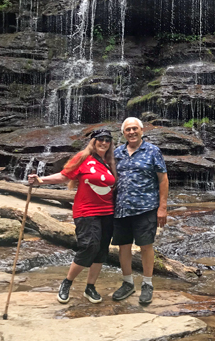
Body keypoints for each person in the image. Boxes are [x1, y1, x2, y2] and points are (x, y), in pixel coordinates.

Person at [28, 128, 116, 305]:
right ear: (93, 141)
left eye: (107, 140)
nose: (104, 142)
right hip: (86, 211)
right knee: (89, 246)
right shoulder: (83, 158)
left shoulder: (110, 162)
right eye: (100, 139)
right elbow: (63, 177)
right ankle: (67, 282)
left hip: (108, 212)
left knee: (101, 251)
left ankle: (90, 287)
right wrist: (41, 180)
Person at [112, 117, 169, 305]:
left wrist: (162, 207)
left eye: (134, 128)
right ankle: (128, 282)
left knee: (146, 246)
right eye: (128, 129)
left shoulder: (153, 151)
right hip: (121, 208)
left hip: (146, 208)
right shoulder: (117, 152)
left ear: (142, 130)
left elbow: (163, 179)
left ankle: (147, 284)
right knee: (124, 246)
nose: (131, 132)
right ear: (123, 133)